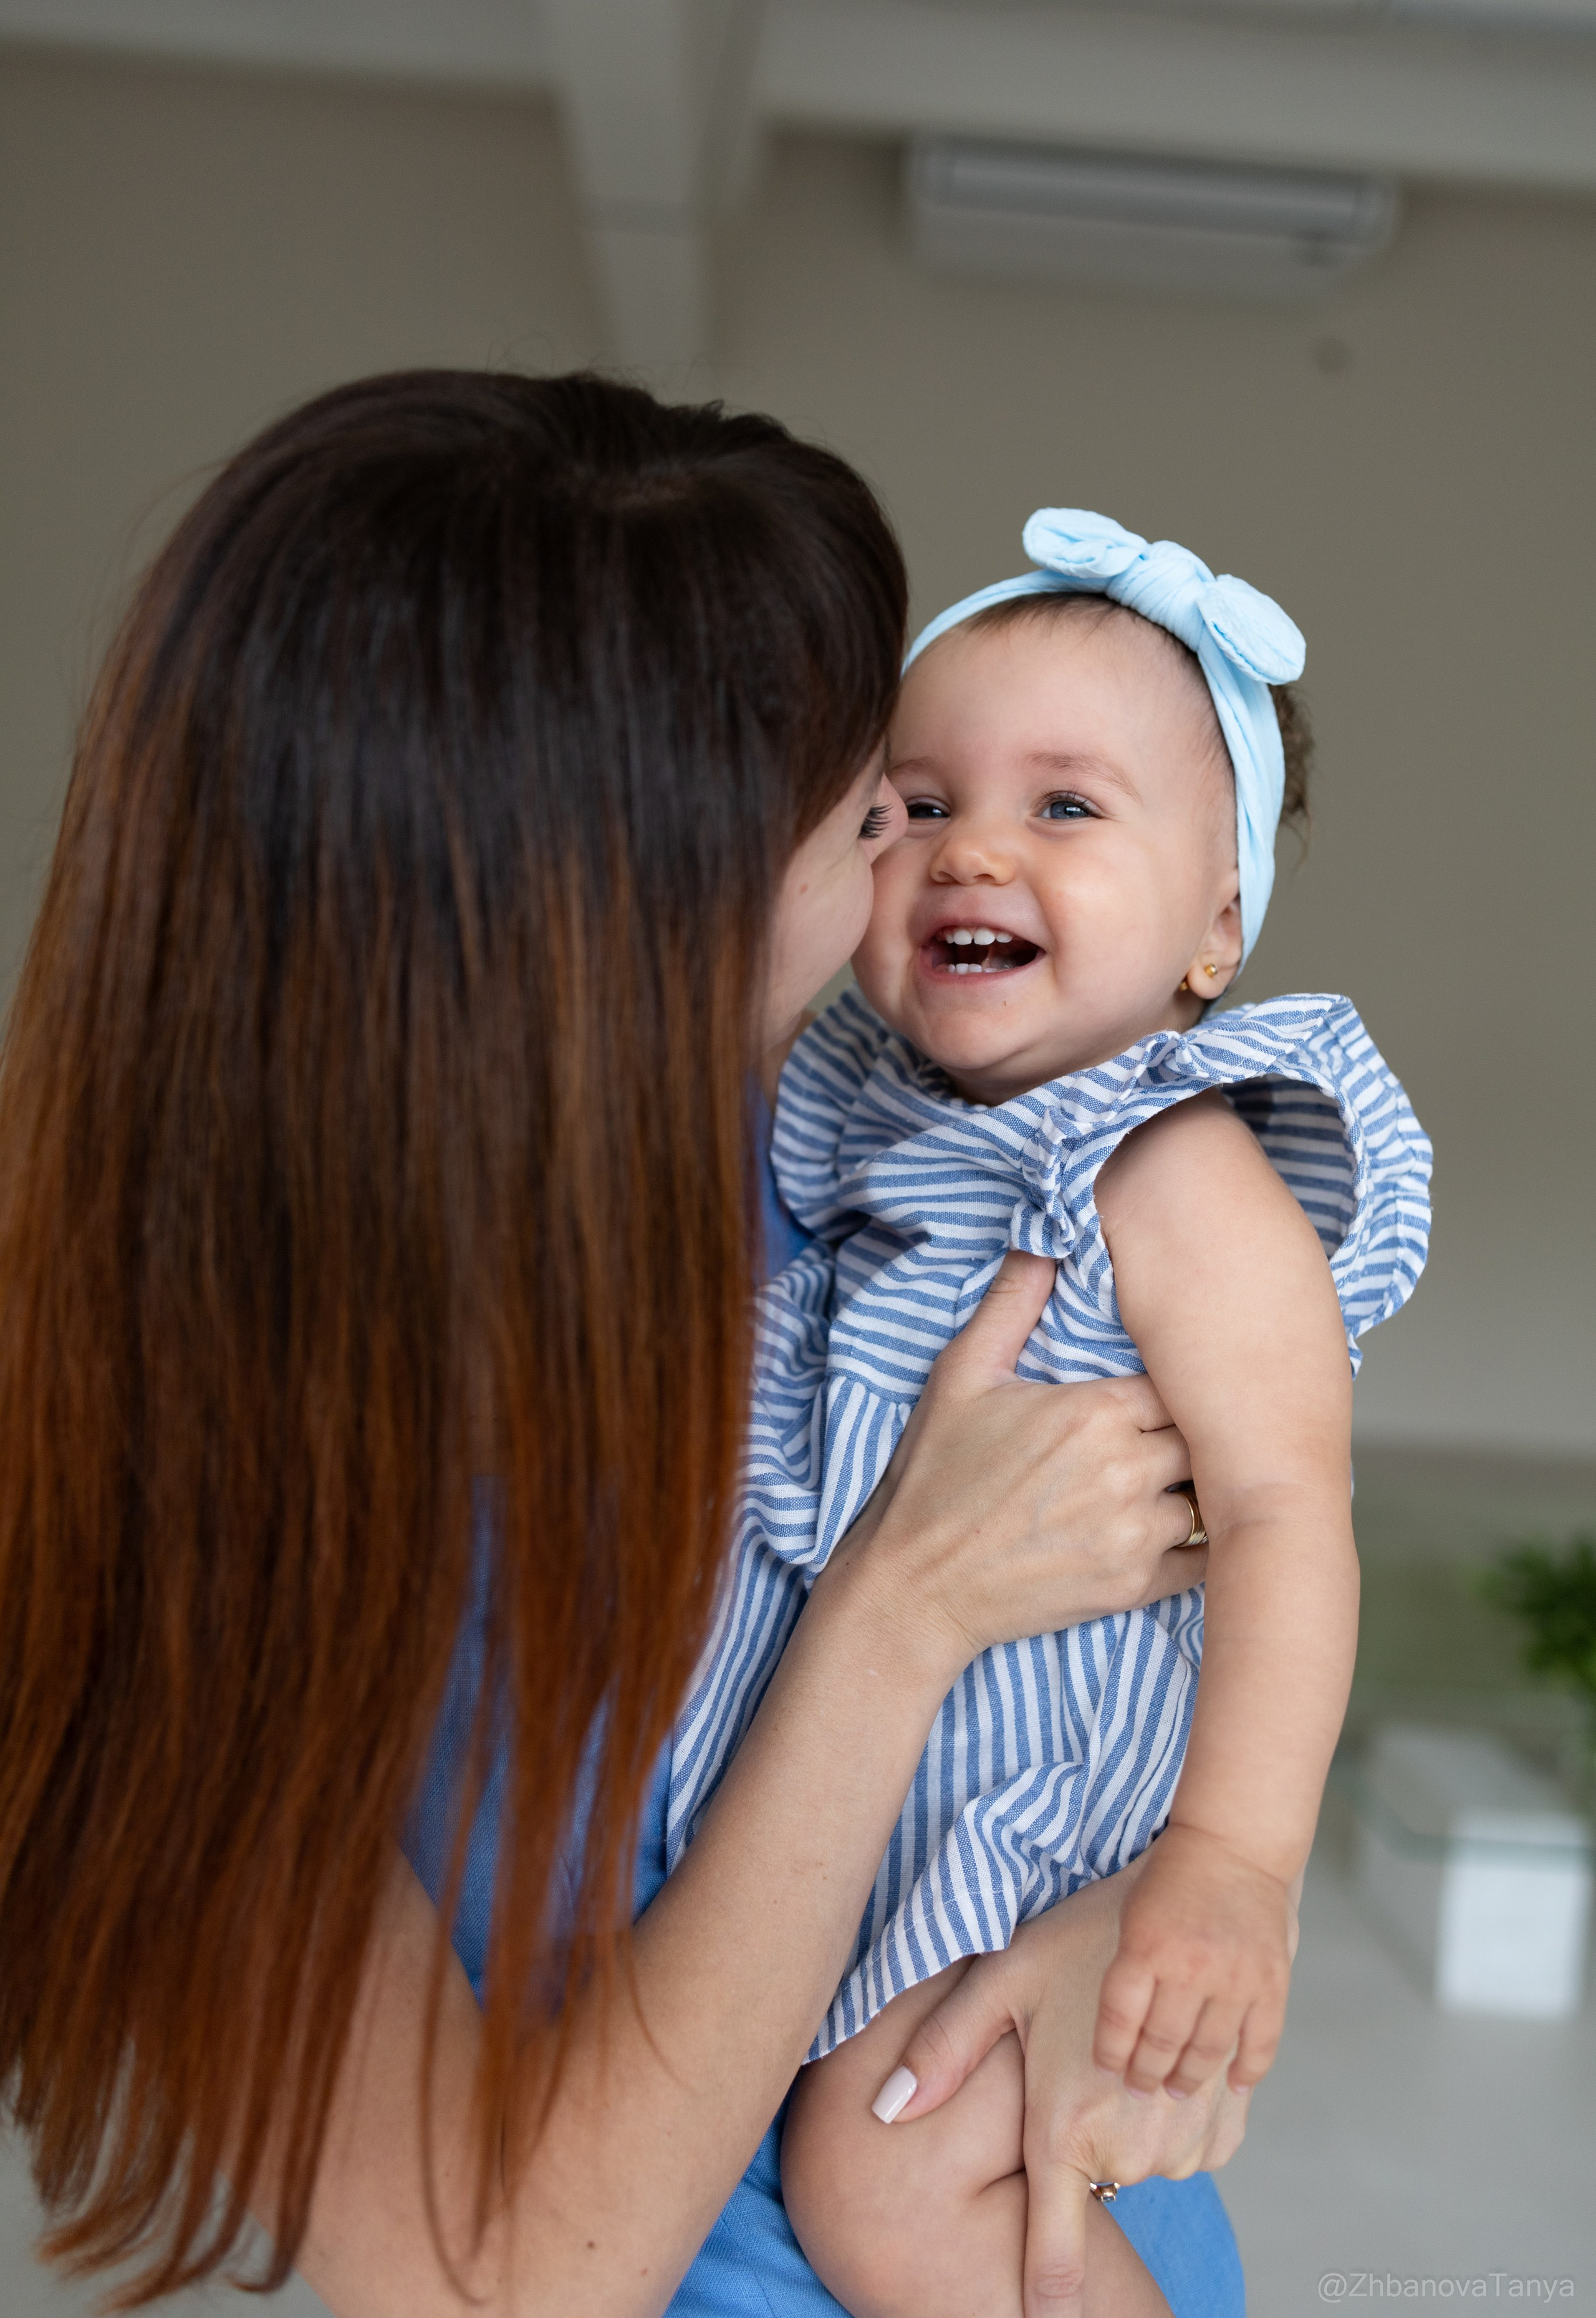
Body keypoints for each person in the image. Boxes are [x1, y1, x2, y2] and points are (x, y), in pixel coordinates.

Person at [0, 380, 1242, 2318]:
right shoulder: (177, 1501)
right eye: (874, 809)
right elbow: (504, 2282)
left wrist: (1149, 1898)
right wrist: (901, 1617)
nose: (918, 859)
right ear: (635, 935)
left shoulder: (843, 1148)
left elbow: (1188, 1568)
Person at [670, 511, 1431, 2317]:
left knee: (885, 2171)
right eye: (916, 804)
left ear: (1215, 927)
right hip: (852, 1775)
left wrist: (1233, 1865)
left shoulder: (1176, 1169)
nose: (974, 848)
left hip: (1030, 1811)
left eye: (1068, 809)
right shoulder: (850, 1105)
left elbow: (1283, 1517)